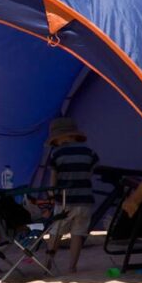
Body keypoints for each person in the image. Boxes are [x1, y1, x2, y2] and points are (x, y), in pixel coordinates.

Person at [45, 117, 100, 273]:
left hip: (64, 201)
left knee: (56, 232)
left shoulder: (57, 154)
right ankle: (72, 266)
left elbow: (53, 179)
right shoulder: (90, 153)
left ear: (58, 138)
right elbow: (89, 173)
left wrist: (51, 192)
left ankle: (47, 263)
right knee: (78, 234)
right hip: (85, 201)